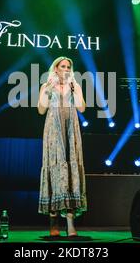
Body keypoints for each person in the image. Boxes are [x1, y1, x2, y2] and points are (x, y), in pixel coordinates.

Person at [37, 56, 87, 237]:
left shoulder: (75, 86)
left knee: (70, 172)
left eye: (68, 67)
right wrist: (47, 90)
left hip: (71, 130)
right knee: (55, 170)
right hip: (53, 130)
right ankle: (54, 222)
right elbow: (41, 110)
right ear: (56, 69)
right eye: (62, 66)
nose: (66, 69)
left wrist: (75, 90)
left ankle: (71, 223)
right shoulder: (46, 87)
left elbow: (81, 108)